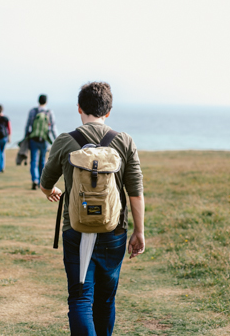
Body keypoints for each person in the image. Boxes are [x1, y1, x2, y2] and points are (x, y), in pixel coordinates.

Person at [40, 82, 145, 335]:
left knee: (80, 298)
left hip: (75, 231)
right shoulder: (124, 141)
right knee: (106, 300)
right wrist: (139, 232)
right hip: (114, 231)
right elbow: (136, 192)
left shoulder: (65, 141)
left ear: (79, 108)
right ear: (108, 111)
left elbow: (45, 183)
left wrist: (51, 192)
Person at [24, 94, 58, 190]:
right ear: (46, 102)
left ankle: (34, 180)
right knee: (42, 161)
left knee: (33, 161)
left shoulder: (33, 111)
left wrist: (25, 137)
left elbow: (28, 125)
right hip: (44, 139)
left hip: (33, 139)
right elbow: (53, 127)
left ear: (38, 101)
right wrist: (56, 140)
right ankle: (40, 181)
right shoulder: (49, 112)